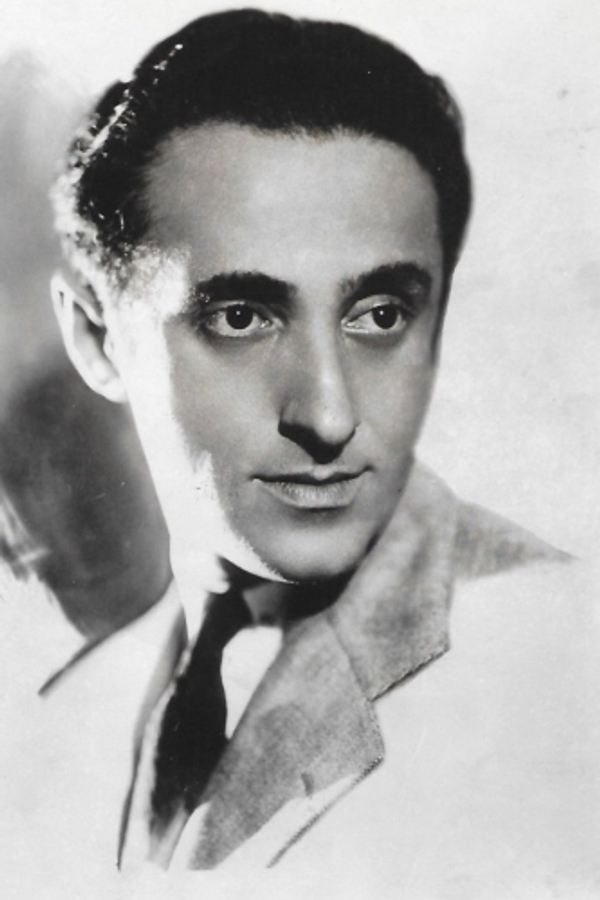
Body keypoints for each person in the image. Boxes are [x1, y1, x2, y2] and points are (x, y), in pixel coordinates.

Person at [1, 8, 598, 896]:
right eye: (242, 317)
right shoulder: (53, 728)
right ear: (96, 338)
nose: (328, 414)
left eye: (380, 315)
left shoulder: (564, 675)